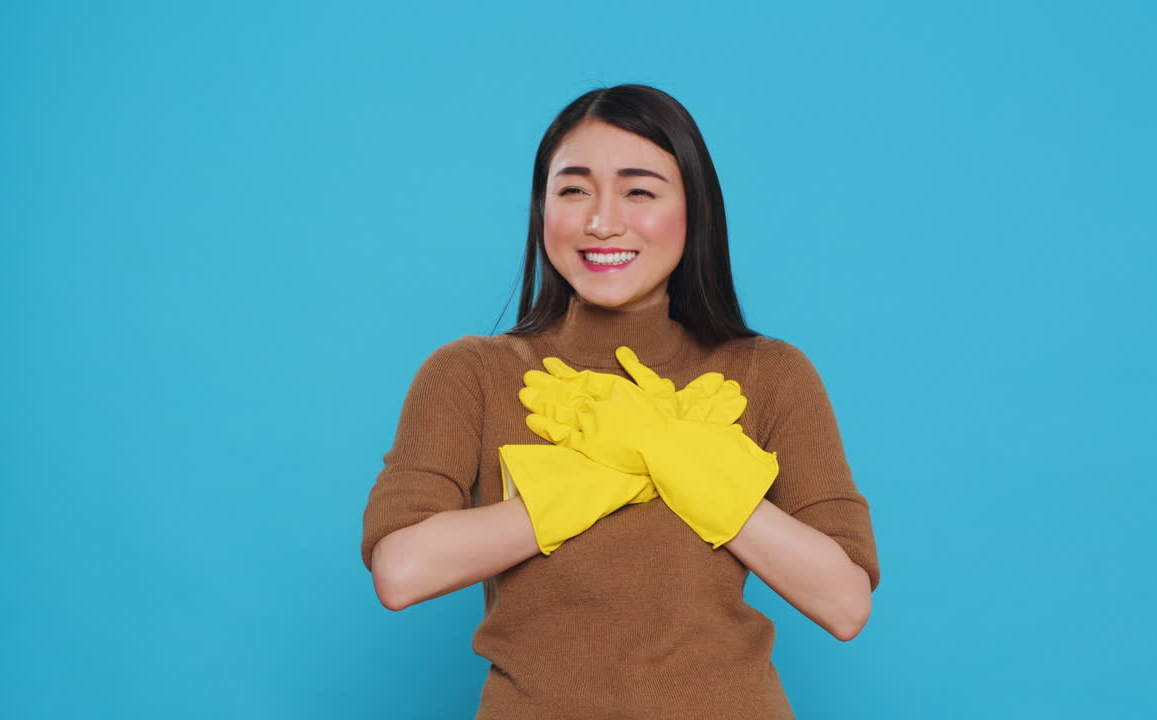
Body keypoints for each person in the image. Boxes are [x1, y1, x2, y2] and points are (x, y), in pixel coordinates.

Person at [360, 83, 880, 719]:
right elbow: (401, 570)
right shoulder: (471, 374)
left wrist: (677, 453)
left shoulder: (767, 374)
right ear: (541, 208)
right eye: (573, 189)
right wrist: (599, 475)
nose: (602, 220)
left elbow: (845, 601)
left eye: (639, 190)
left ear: (694, 209)